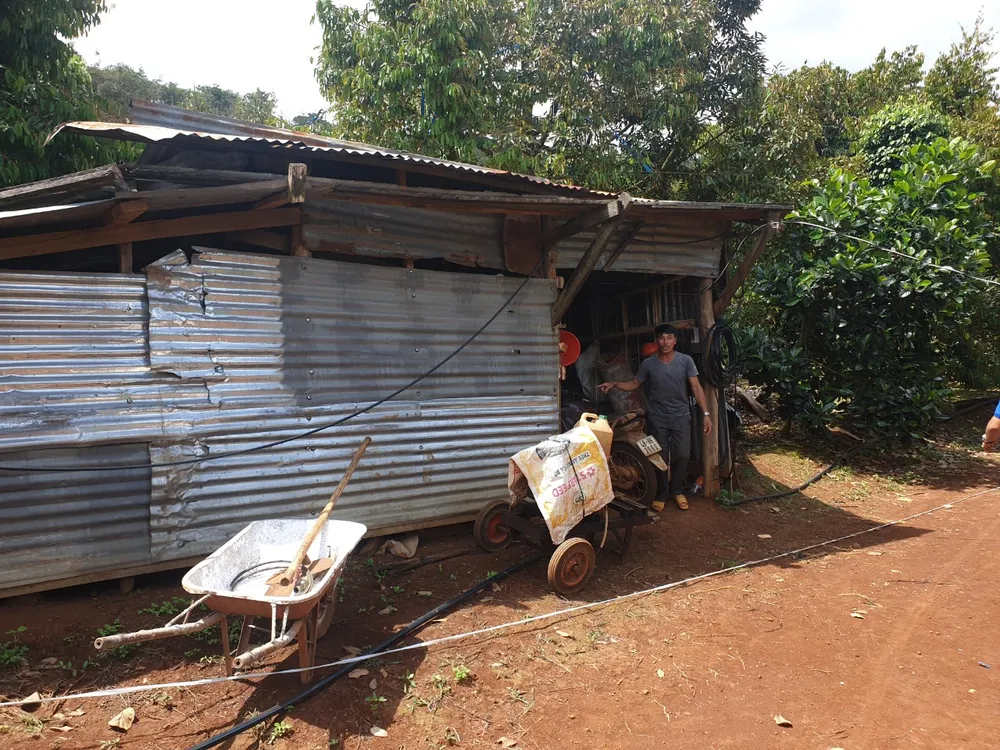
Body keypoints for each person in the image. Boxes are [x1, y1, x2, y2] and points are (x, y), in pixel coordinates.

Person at [598, 323, 711, 510]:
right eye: (661, 338)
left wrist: (706, 414)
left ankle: (677, 491)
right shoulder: (649, 364)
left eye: (669, 338)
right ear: (656, 341)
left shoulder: (685, 361)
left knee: (683, 455)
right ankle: (662, 493)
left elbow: (696, 387)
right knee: (659, 456)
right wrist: (613, 384)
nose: (665, 342)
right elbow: (634, 384)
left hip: (681, 416)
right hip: (658, 417)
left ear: (675, 341)